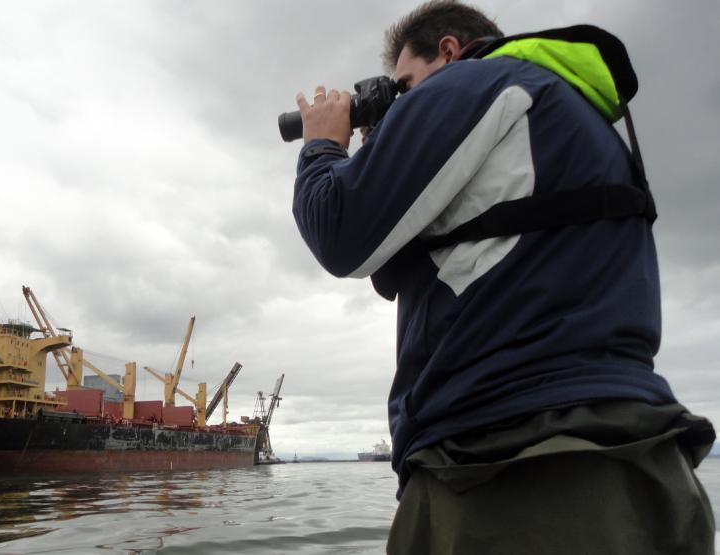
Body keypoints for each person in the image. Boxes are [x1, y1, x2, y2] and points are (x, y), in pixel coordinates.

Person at [290, 1, 715, 553]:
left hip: (510, 467)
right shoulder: (570, 119)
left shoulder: (475, 81)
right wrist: (380, 144)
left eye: (406, 85)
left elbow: (339, 234)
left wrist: (323, 145)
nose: (401, 103)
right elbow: (391, 269)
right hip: (642, 458)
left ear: (448, 50)